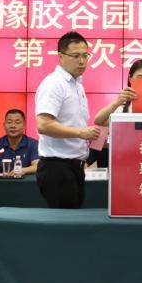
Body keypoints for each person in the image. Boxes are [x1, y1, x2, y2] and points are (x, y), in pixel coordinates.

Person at [35, 31, 100, 208]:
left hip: (75, 166)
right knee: (63, 222)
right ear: (61, 56)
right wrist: (81, 133)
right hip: (57, 167)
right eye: (76, 56)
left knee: (72, 220)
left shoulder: (77, 84)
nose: (82, 61)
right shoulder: (54, 84)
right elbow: (43, 125)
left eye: (85, 55)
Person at [0, 109, 40, 176]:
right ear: (4, 125)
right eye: (9, 122)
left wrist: (24, 170)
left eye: (17, 122)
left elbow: (37, 166)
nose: (13, 126)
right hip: (0, 181)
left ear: (24, 125)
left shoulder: (33, 144)